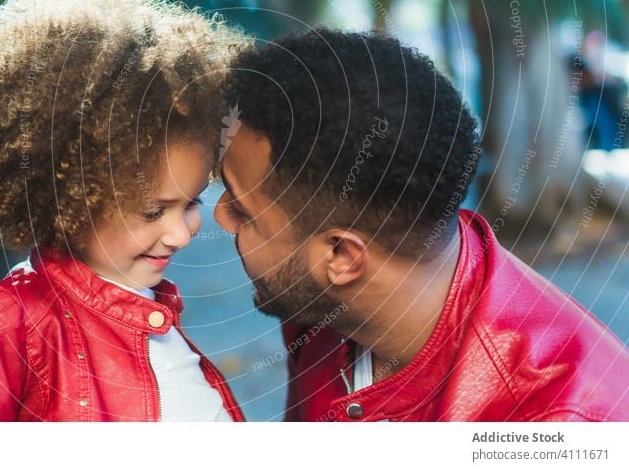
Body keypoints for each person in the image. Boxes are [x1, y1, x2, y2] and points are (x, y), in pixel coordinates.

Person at [215, 28, 629, 421]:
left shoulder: (563, 423)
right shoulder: (317, 307)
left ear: (341, 255)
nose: (219, 216)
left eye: (242, 209)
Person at [0, 0, 249, 421]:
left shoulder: (155, 314)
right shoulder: (6, 323)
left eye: (191, 203)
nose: (180, 235)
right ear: (73, 196)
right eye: (152, 210)